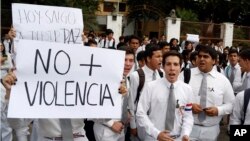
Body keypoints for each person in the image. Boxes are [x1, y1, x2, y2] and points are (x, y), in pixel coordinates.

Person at [180, 45, 235, 141]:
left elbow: (231, 104)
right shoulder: (185, 75)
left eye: (206, 57)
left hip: (211, 131)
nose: (201, 59)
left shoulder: (222, 80)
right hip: (187, 128)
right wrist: (189, 107)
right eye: (199, 56)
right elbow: (175, 98)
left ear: (214, 61)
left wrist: (218, 110)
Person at [136, 51, 194, 141]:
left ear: (181, 67)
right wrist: (156, 133)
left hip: (178, 138)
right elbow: (140, 113)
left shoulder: (187, 89)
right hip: (154, 138)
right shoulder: (150, 87)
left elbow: (188, 115)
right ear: (163, 66)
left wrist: (185, 133)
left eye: (175, 64)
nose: (172, 68)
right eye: (168, 64)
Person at [93, 47, 135, 141]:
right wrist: (111, 123)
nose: (128, 64)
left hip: (121, 128)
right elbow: (92, 108)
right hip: (106, 130)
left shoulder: (126, 79)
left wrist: (126, 113)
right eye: (124, 60)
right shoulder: (103, 80)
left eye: (131, 60)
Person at [128, 44, 163, 141]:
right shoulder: (137, 76)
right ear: (148, 58)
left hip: (158, 122)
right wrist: (133, 125)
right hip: (141, 123)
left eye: (161, 57)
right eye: (157, 57)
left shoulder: (162, 74)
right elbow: (131, 103)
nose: (161, 59)